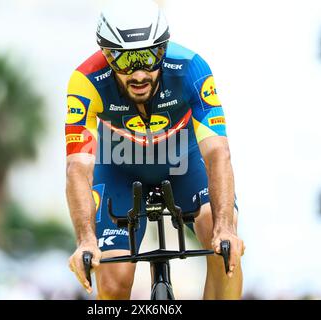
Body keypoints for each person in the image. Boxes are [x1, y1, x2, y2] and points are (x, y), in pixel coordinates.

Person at [66, 0, 245, 300]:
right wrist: (86, 240)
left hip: (183, 161)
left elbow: (217, 153)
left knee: (222, 244)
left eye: (150, 57)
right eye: (123, 61)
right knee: (113, 282)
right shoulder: (85, 81)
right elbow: (78, 167)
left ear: (163, 49)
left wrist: (226, 228)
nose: (138, 74)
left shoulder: (191, 68)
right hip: (118, 167)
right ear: (106, 55)